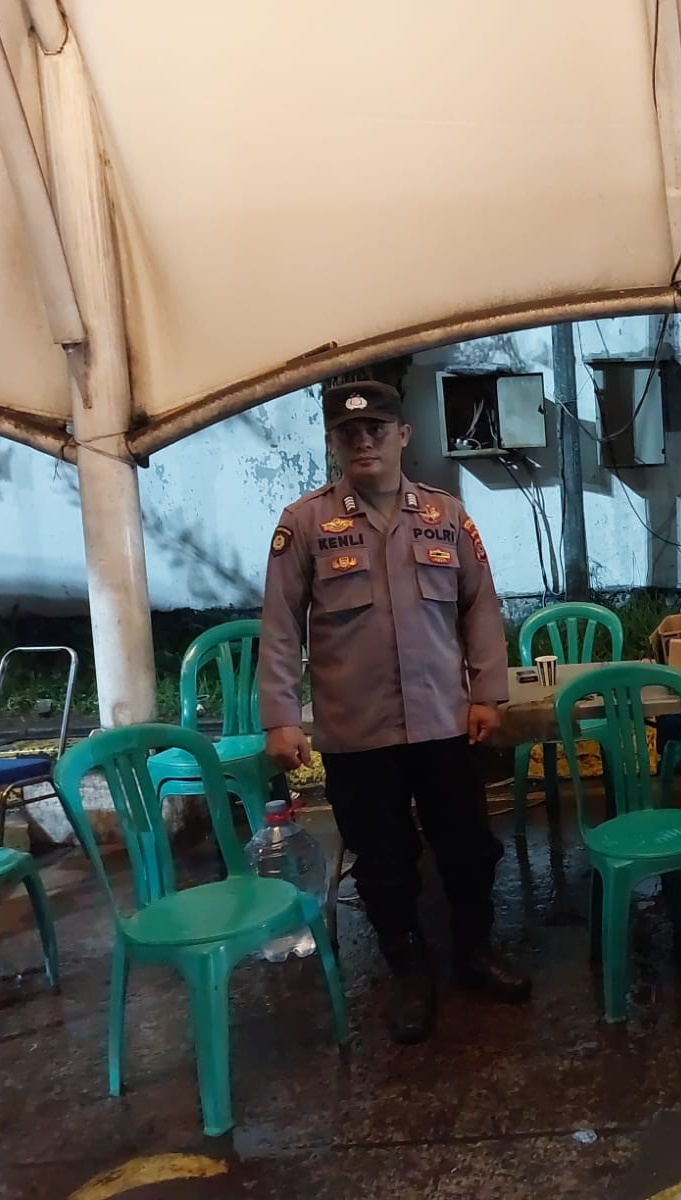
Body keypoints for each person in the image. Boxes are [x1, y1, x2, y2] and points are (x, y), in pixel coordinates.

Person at [259, 380, 531, 1046]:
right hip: (357, 732)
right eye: (349, 433)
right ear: (333, 442)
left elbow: (480, 607)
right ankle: (408, 971)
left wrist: (487, 693)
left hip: (443, 723)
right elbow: (280, 625)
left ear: (402, 435)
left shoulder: (446, 516)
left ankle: (474, 952)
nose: (364, 443)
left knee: (468, 848)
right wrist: (281, 717)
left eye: (376, 429)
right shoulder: (304, 524)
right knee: (383, 862)